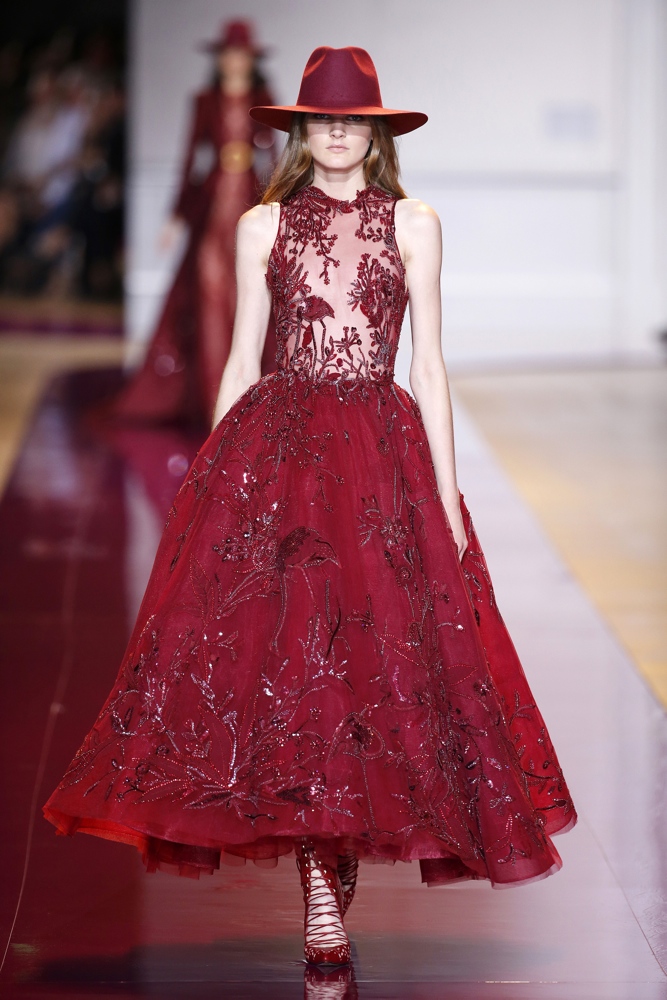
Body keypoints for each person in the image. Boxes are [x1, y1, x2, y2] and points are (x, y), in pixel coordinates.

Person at [44, 47, 576, 967]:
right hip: (279, 451)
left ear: (374, 131)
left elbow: (431, 365)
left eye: (351, 119)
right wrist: (211, 482)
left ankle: (329, 884)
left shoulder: (416, 223)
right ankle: (321, 897)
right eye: (319, 119)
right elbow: (243, 360)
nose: (334, 133)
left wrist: (446, 493)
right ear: (300, 131)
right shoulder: (263, 225)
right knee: (293, 674)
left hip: (382, 461)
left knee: (371, 675)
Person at [111, 19, 276, 427]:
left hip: (249, 203)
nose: (234, 62)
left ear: (251, 61)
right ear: (219, 59)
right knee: (210, 304)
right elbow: (191, 159)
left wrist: (279, 205)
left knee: (248, 302)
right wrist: (176, 217)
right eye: (228, 55)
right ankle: (213, 406)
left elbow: (275, 157)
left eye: (241, 56)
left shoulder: (263, 97)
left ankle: (247, 401)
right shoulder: (204, 100)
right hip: (213, 208)